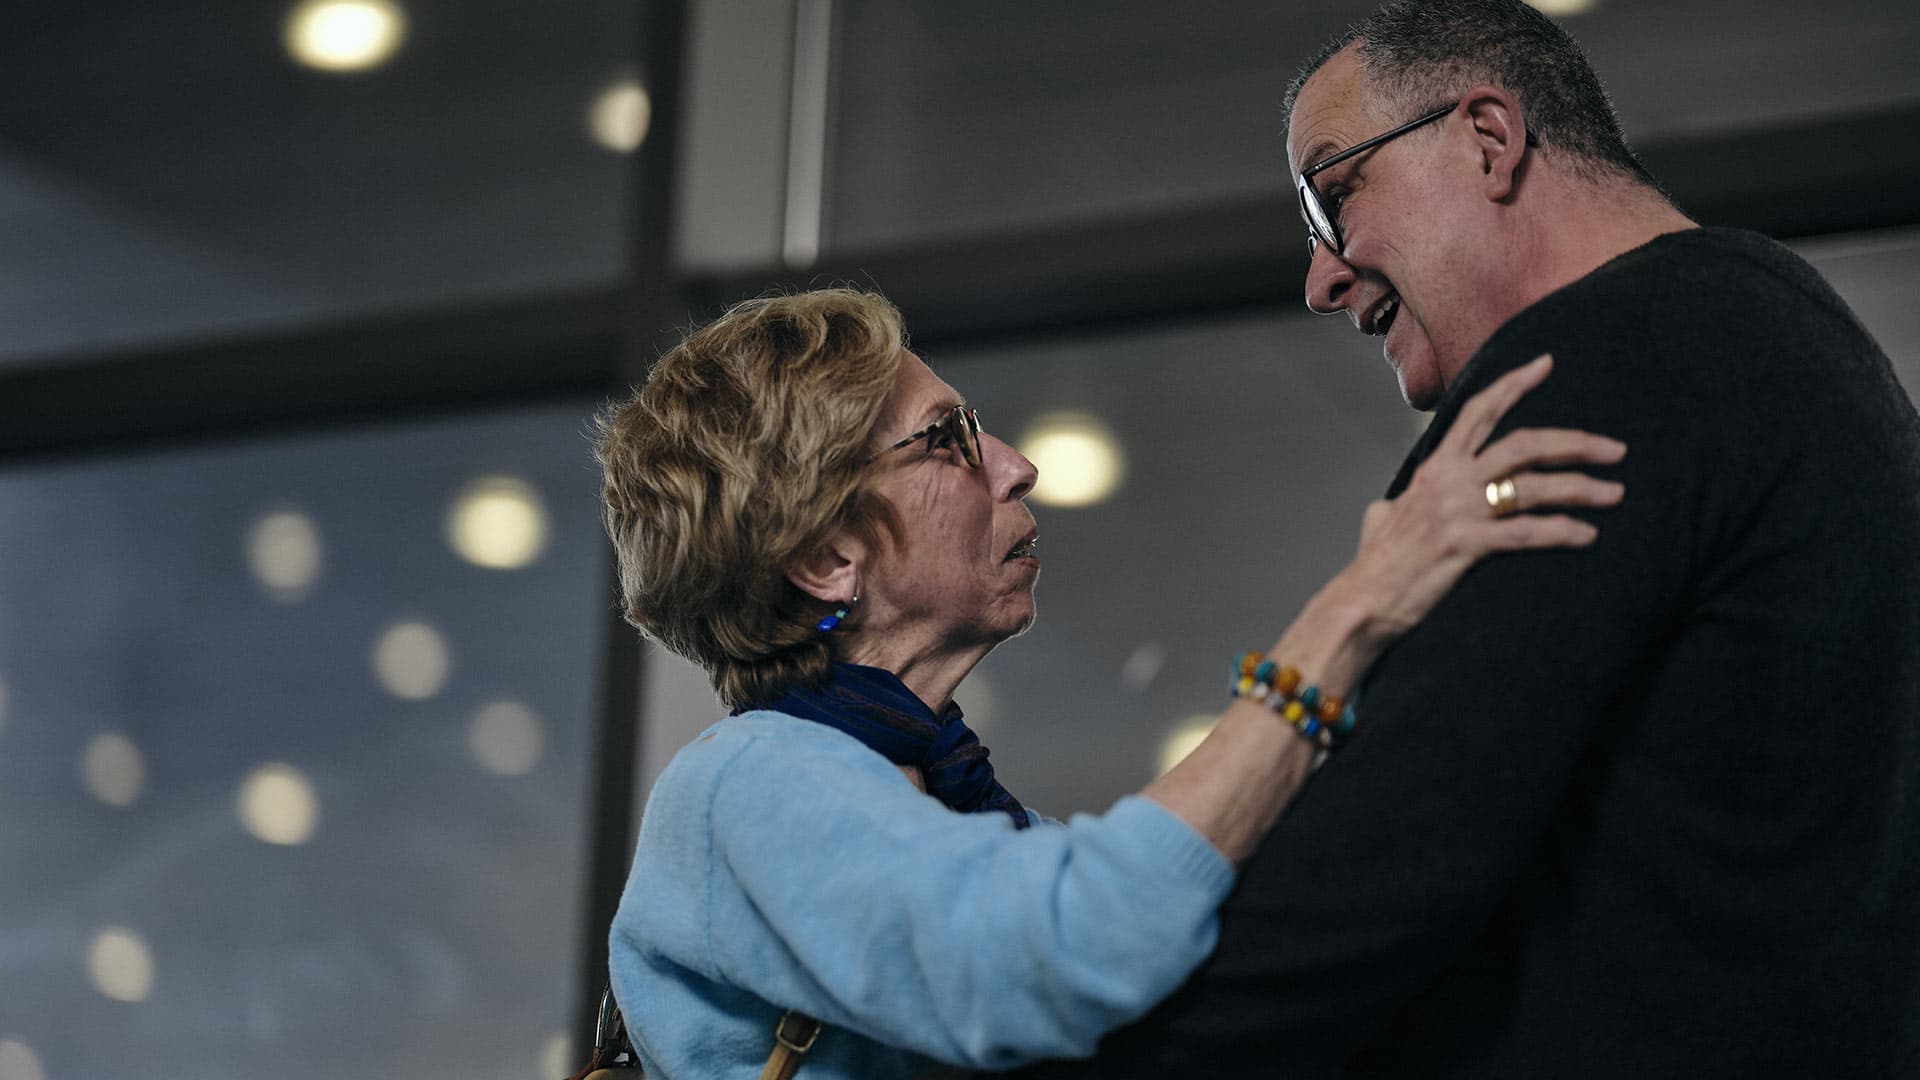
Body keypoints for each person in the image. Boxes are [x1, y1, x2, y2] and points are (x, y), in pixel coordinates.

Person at [1019, 1, 1920, 1077]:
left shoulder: (1607, 359)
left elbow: (1377, 867)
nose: (1321, 278)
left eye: (1332, 194)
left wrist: (1047, 1052)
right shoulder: (1784, 339)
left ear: (1489, 138)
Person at [592, 287, 1626, 1078]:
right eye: (947, 440)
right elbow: (1055, 951)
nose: (1015, 464)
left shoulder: (961, 818)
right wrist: (1354, 611)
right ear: (827, 557)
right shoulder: (747, 784)